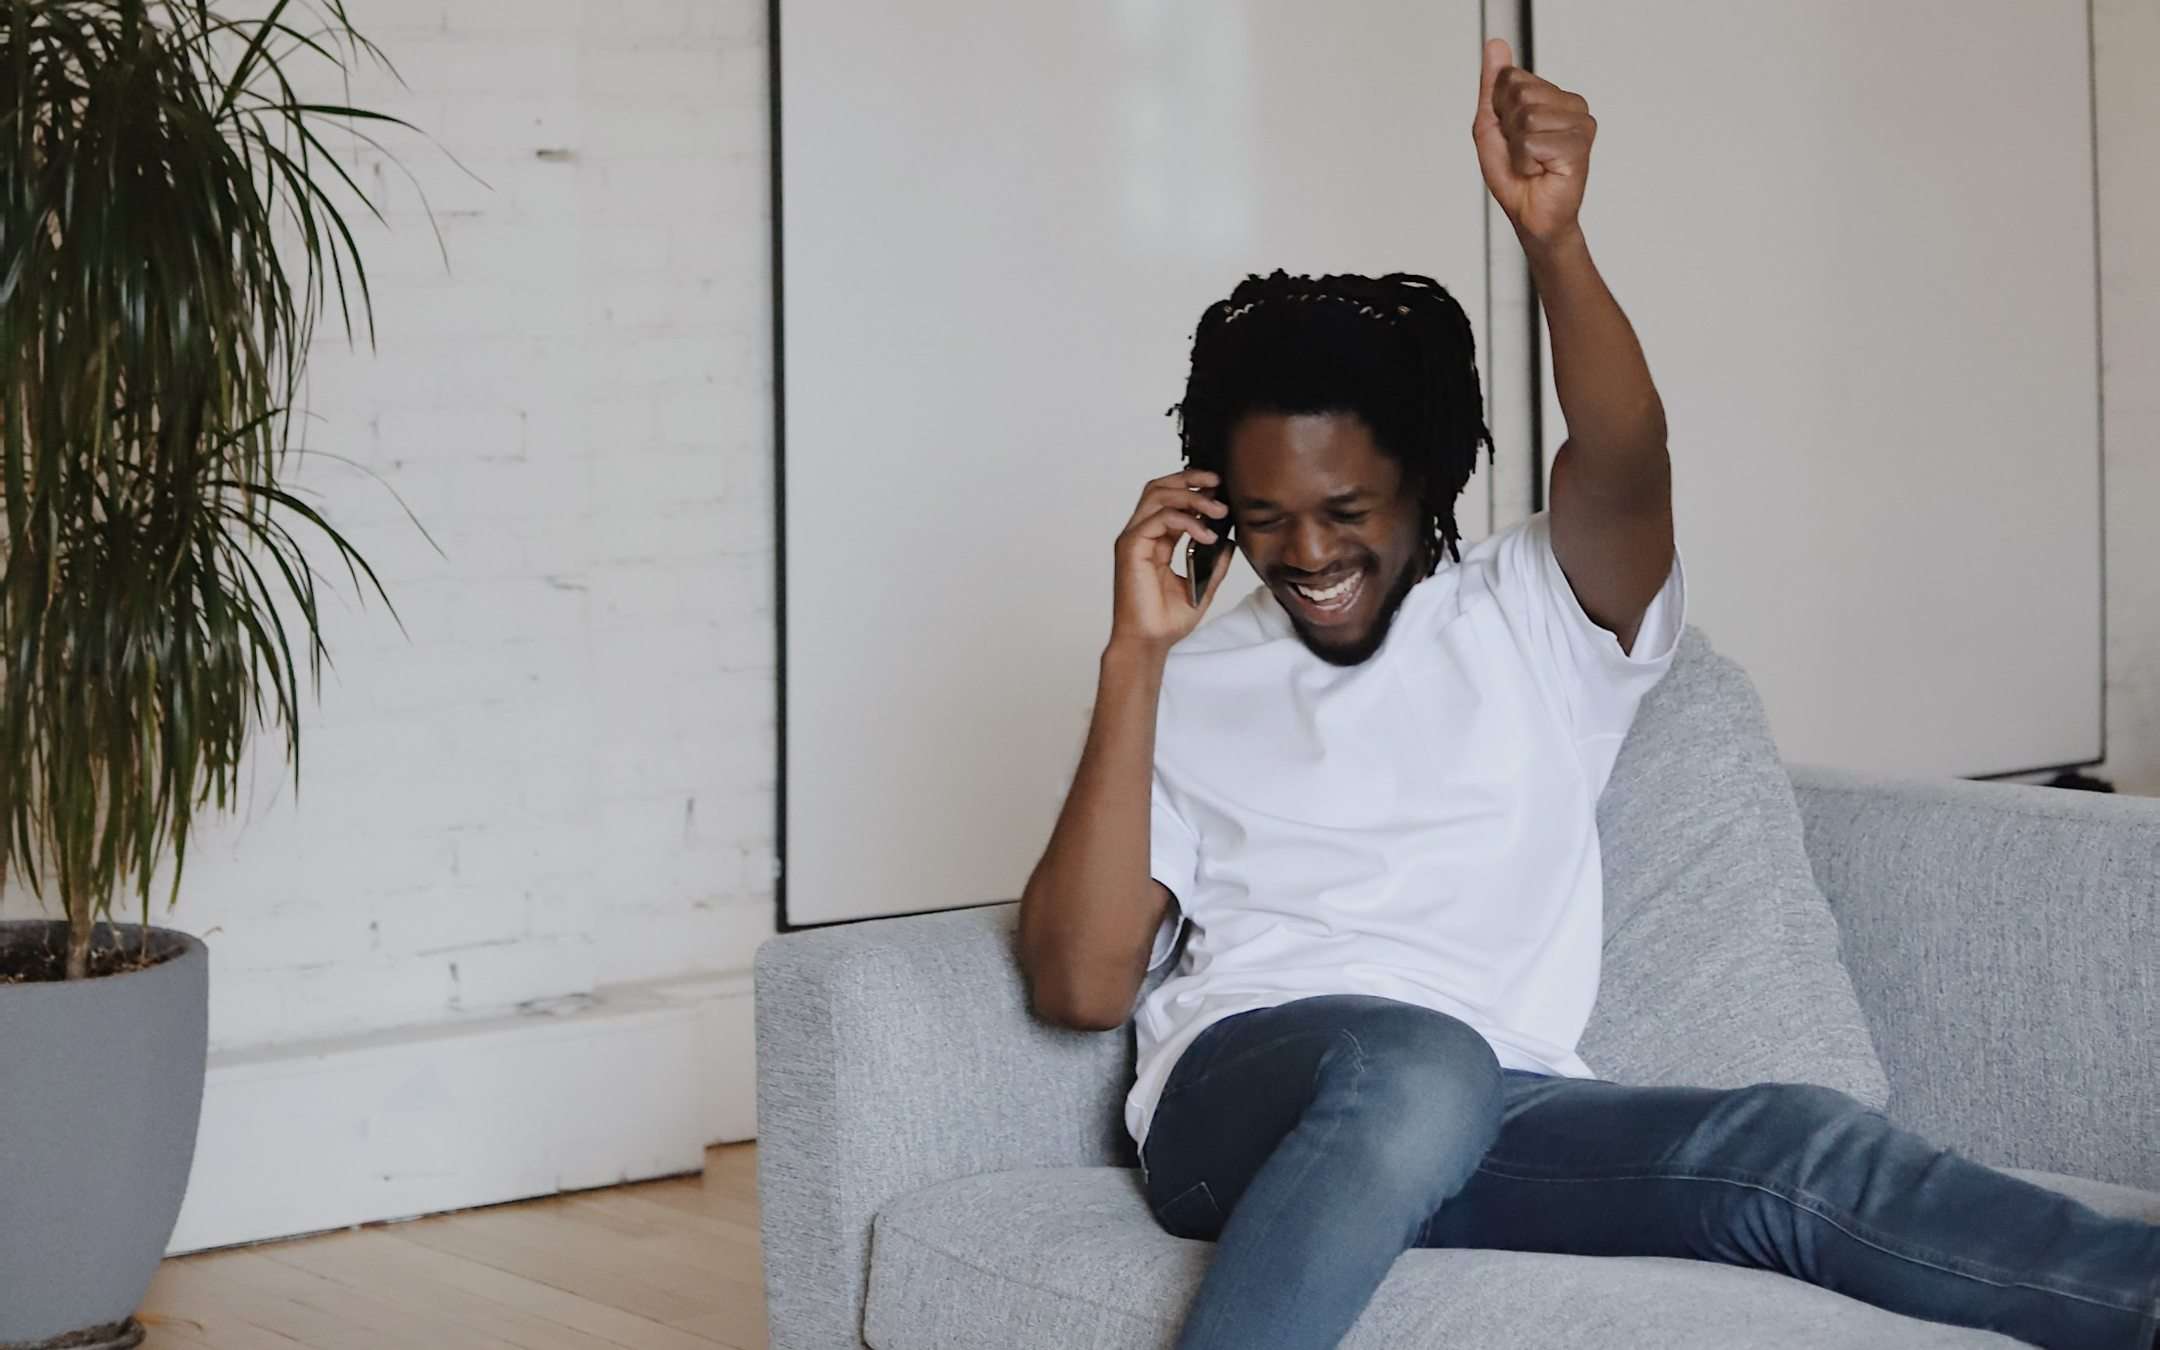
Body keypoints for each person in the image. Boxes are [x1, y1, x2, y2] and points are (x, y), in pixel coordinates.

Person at [1015, 37, 2160, 1350]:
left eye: (1348, 509)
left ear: (1428, 481)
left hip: (1500, 1104)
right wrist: (1133, 658)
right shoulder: (1191, 679)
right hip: (1244, 1102)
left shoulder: (1530, 613)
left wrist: (1554, 241)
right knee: (1419, 1061)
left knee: (1790, 1143)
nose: (1310, 553)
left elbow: (1624, 454)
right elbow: (1080, 985)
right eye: (1268, 518)